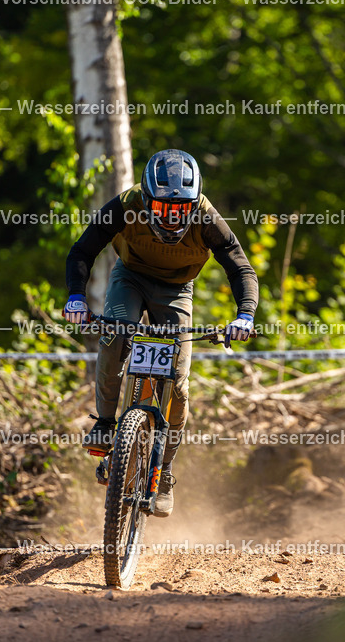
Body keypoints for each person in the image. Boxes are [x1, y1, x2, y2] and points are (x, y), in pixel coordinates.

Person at [63, 149, 258, 516]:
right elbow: (82, 251)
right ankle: (106, 423)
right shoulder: (126, 204)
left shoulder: (207, 217)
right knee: (113, 335)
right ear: (148, 199)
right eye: (165, 209)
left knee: (179, 385)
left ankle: (164, 472)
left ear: (193, 204)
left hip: (177, 289)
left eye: (180, 211)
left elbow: (241, 269)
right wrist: (76, 298)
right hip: (130, 278)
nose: (171, 219)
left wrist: (244, 316)